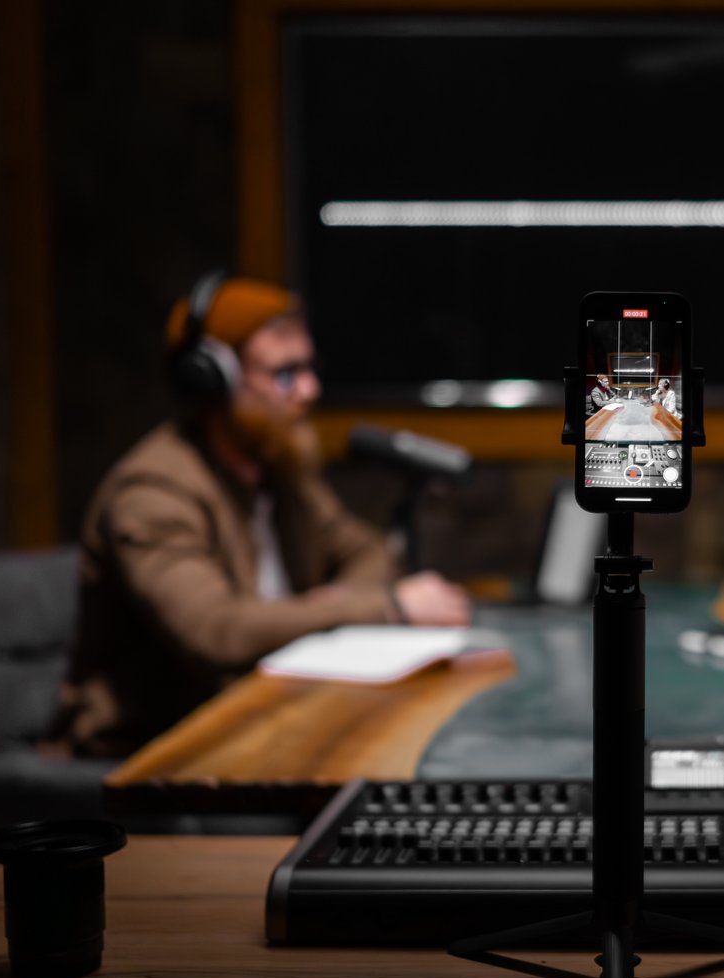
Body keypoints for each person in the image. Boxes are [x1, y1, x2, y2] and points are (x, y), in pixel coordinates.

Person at [49, 273, 471, 758]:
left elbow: (368, 551)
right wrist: (383, 607)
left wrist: (328, 603)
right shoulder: (152, 492)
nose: (310, 389)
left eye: (310, 368)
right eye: (285, 374)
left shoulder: (279, 470)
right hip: (151, 753)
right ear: (212, 380)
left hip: (260, 721)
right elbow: (216, 630)